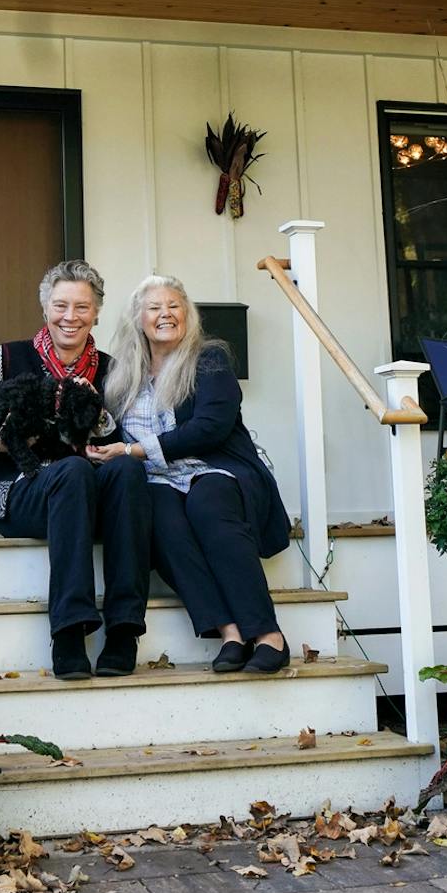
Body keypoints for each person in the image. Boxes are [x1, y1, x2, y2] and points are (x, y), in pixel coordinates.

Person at [0, 260, 151, 681]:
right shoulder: (11, 357)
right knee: (72, 470)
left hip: (88, 494)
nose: (71, 317)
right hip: (22, 491)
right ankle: (69, 630)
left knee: (126, 471)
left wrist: (99, 412)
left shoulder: (111, 370)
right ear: (45, 308)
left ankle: (124, 629)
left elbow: (127, 432)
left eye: (82, 307)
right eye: (60, 305)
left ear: (97, 313)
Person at [98, 273, 294, 673]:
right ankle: (230, 633)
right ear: (139, 319)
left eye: (174, 306)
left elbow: (211, 427)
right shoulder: (121, 374)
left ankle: (268, 634)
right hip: (156, 477)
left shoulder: (209, 359)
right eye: (154, 308)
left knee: (208, 505)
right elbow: (108, 429)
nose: (165, 314)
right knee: (164, 521)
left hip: (215, 466)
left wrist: (136, 450)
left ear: (187, 315)